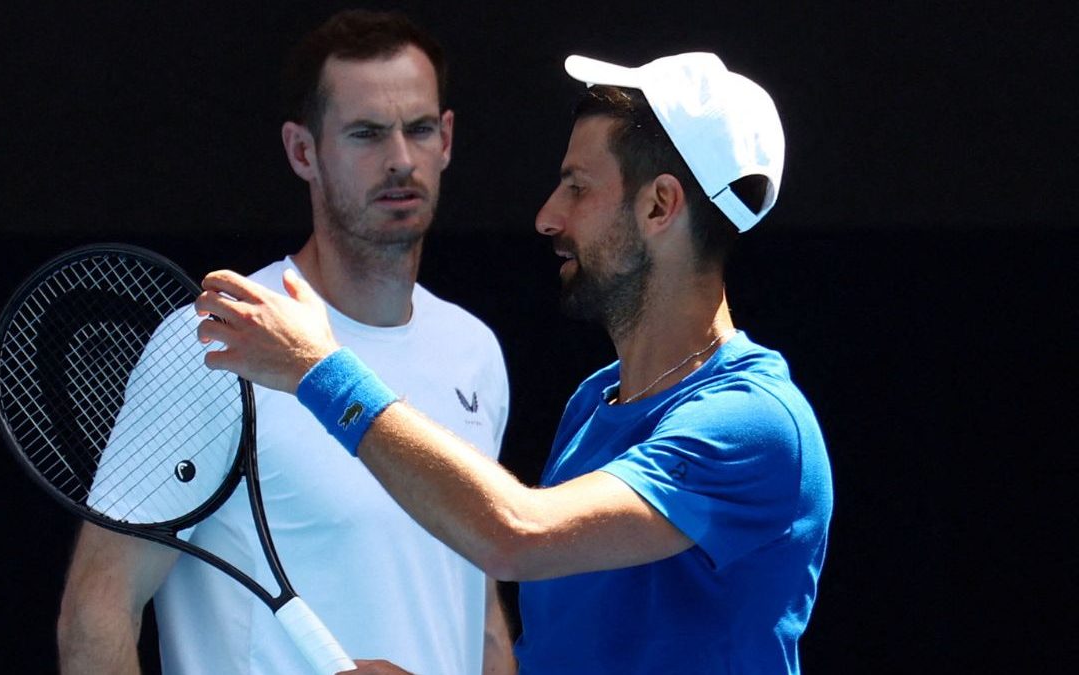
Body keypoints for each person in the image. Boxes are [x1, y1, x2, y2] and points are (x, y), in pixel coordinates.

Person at [196, 52, 833, 674]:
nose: (547, 217)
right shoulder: (595, 402)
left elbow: (516, 535)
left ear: (659, 206)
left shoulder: (755, 424)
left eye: (578, 188)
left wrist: (318, 369)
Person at [56, 9, 515, 675]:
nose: (399, 160)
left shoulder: (474, 350)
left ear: (446, 139)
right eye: (365, 134)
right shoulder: (218, 340)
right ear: (303, 151)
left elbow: (476, 606)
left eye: (418, 130)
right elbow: (98, 611)